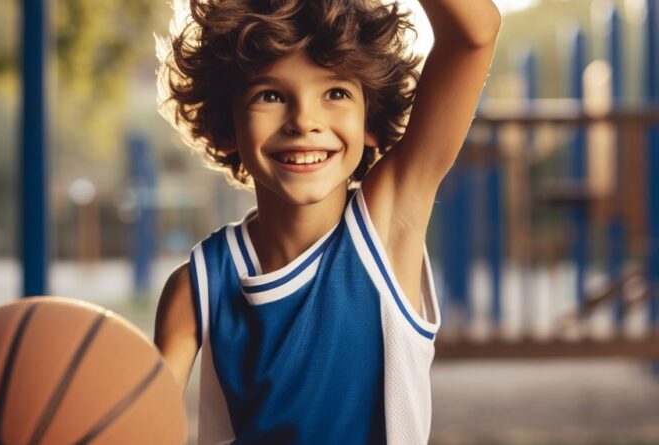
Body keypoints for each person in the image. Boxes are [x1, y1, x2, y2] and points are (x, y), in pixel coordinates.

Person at [153, 0, 500, 443]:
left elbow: (474, 34)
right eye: (270, 95)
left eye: (335, 92)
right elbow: (145, 421)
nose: (304, 121)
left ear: (370, 119)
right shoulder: (197, 285)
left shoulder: (387, 226)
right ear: (226, 127)